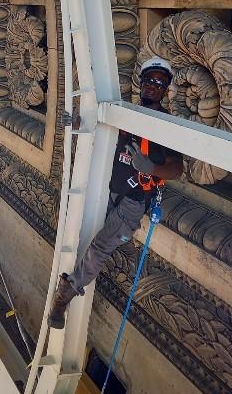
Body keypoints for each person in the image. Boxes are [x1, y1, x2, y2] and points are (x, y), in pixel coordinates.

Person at [47, 56, 184, 329]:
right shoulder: (125, 113)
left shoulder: (167, 125)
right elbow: (100, 131)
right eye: (149, 80)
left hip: (133, 200)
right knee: (77, 229)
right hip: (105, 188)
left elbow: (177, 168)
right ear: (141, 83)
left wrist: (152, 167)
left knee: (100, 247)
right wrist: (77, 122)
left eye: (159, 83)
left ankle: (65, 295)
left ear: (165, 89)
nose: (152, 86)